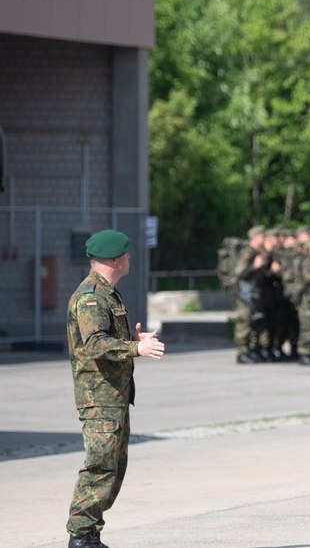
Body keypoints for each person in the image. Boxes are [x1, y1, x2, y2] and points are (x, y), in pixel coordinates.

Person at [65, 229, 165, 548]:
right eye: (125, 253)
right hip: (99, 398)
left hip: (114, 396)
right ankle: (80, 536)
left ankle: (90, 534)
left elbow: (104, 339)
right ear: (113, 260)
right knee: (100, 467)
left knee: (113, 468)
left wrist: (134, 341)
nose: (129, 257)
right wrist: (136, 350)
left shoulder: (108, 294)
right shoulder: (91, 296)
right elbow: (95, 344)